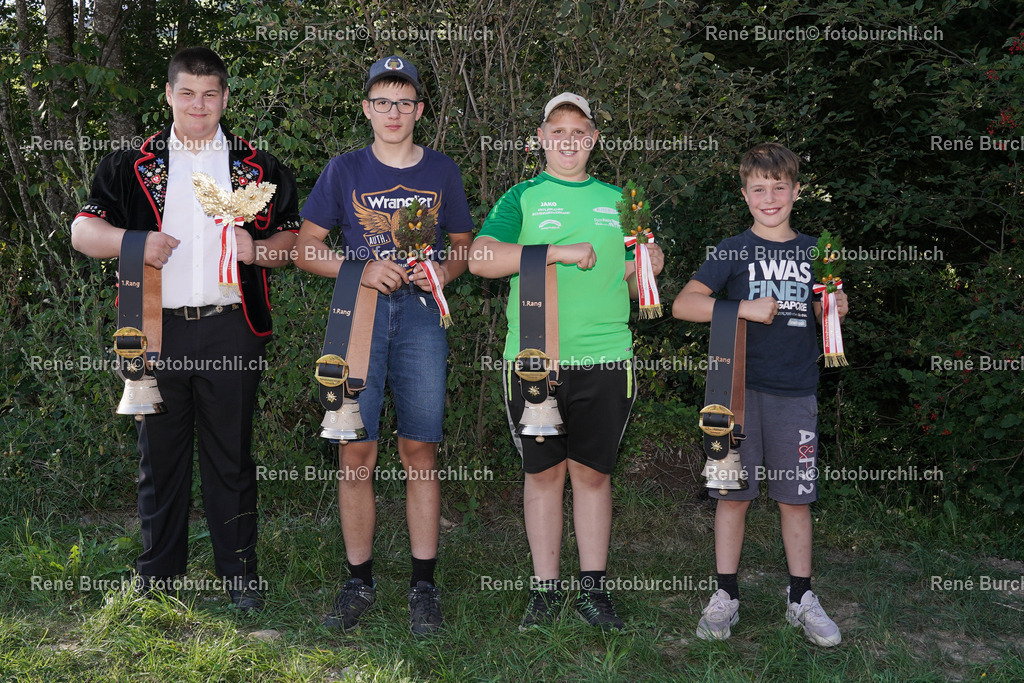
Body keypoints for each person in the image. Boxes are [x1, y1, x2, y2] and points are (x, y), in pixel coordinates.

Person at [71, 47, 300, 611]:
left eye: (211, 94)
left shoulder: (259, 168)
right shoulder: (130, 164)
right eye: (188, 93)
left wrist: (260, 250)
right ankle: (157, 577)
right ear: (169, 95)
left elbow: (294, 244)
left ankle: (239, 576)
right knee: (161, 459)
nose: (199, 104)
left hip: (231, 327)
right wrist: (134, 242)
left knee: (232, 458)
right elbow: (82, 232)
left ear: (225, 98)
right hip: (155, 330)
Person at [469, 92, 664, 631]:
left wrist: (646, 265)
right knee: (544, 475)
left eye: (579, 131)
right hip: (535, 360)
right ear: (541, 138)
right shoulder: (523, 196)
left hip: (606, 358)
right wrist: (554, 251)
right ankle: (546, 590)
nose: (568, 140)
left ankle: (594, 591)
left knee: (593, 476)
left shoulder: (620, 198)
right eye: (557, 130)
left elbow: (628, 273)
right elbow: (481, 258)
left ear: (594, 139)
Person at [294, 55, 474, 636]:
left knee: (420, 450)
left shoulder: (443, 171)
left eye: (404, 102)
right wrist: (361, 267)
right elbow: (305, 248)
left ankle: (424, 585)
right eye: (382, 102)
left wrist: (444, 272)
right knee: (356, 453)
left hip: (422, 319)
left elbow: (464, 244)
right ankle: (359, 582)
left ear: (420, 109)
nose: (393, 112)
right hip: (360, 317)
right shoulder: (344, 170)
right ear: (367, 108)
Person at [672, 142, 849, 646]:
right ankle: (725, 594)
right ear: (745, 193)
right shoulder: (732, 250)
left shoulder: (816, 251)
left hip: (796, 394)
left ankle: (801, 598)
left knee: (796, 500)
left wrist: (836, 306)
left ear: (796, 191)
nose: (769, 197)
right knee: (733, 498)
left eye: (778, 188)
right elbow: (684, 304)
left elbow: (828, 312)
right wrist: (744, 308)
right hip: (737, 395)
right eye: (758, 189)